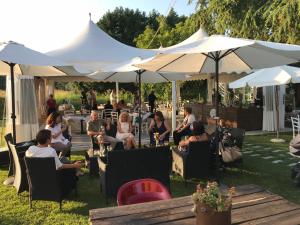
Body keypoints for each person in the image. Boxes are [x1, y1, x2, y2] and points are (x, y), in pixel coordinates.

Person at [25, 129, 84, 195]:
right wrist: (74, 165)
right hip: (51, 179)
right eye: (51, 137)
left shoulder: (30, 149)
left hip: (35, 179)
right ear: (47, 140)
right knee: (69, 168)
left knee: (63, 158)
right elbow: (60, 167)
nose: (52, 139)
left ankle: (76, 171)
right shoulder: (51, 151)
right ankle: (76, 172)